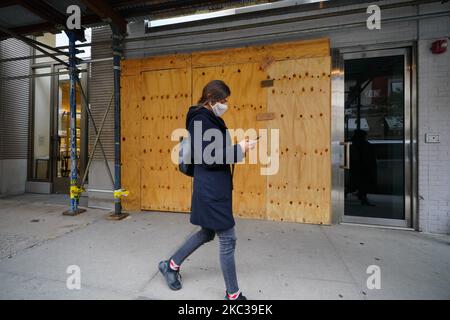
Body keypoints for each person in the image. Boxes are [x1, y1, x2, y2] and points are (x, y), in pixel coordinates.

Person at [158, 80, 256, 300]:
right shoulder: (201, 120)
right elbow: (208, 157)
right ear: (212, 99)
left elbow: (216, 151)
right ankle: (233, 296)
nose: (226, 104)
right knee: (228, 238)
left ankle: (170, 265)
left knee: (207, 232)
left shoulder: (211, 118)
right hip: (211, 190)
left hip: (215, 187)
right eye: (223, 100)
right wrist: (239, 148)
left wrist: (239, 148)